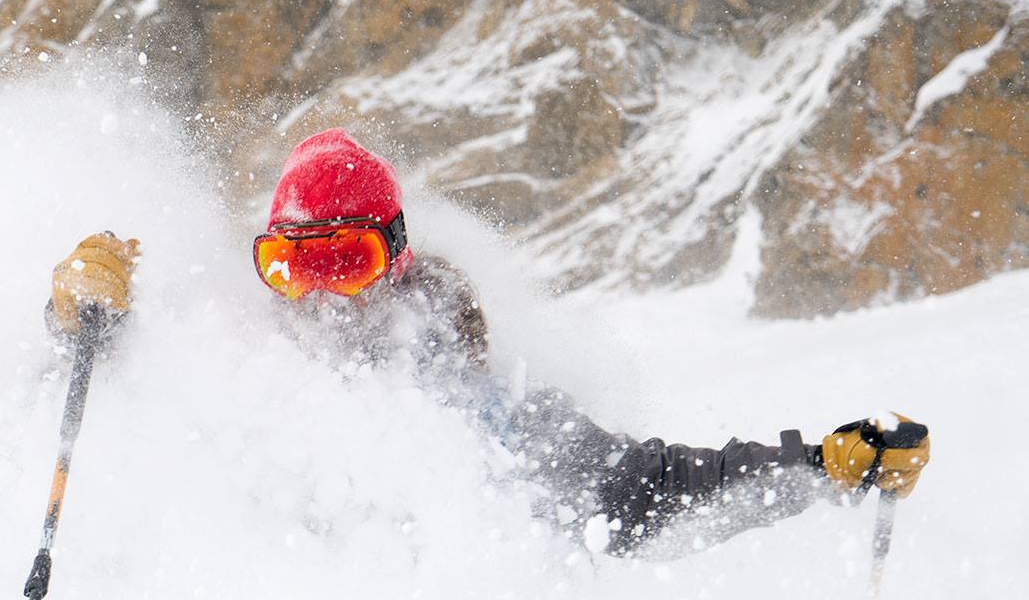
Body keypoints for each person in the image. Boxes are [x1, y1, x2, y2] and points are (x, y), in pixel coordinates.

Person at [45, 129, 931, 554]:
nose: (319, 297)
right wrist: (83, 319)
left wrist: (814, 468)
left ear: (392, 259)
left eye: (345, 261)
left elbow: (635, 494)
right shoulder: (227, 357)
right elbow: (79, 415)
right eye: (291, 267)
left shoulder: (474, 412)